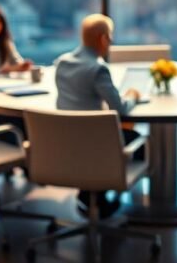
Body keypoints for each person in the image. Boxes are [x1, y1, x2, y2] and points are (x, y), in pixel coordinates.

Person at [53, 13, 143, 217]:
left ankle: (90, 191)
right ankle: (103, 191)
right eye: (109, 37)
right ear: (103, 39)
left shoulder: (62, 62)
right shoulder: (97, 69)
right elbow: (120, 108)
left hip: (66, 142)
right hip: (96, 145)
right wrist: (134, 96)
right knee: (140, 143)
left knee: (94, 136)